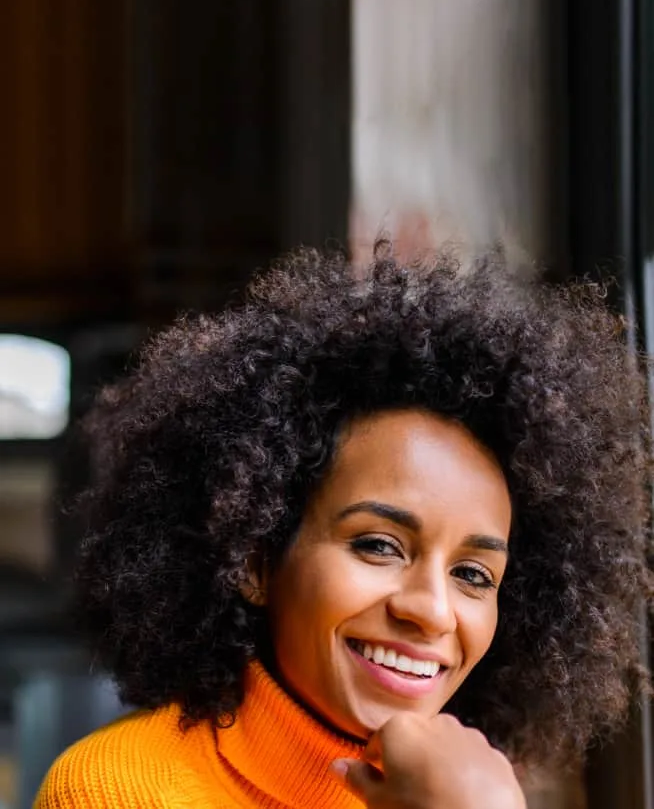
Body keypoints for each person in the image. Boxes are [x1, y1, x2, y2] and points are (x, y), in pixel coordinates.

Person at [35, 242, 651, 809]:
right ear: (255, 558)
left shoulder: (468, 786)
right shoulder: (118, 788)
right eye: (379, 545)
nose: (433, 612)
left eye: (472, 573)